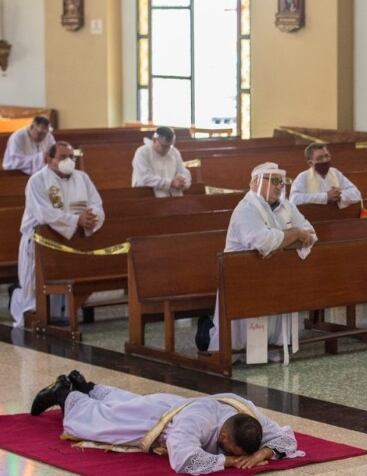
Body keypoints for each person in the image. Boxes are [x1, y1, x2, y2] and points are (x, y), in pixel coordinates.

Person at [30, 370, 302, 474]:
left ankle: (86, 385)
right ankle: (65, 393)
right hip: (156, 420)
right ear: (224, 439)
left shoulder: (249, 417)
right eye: (230, 450)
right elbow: (182, 458)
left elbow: (285, 437)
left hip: (169, 406)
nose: (233, 456)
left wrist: (263, 452)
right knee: (99, 422)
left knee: (124, 403)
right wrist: (227, 462)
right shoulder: (198, 423)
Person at [204, 163, 317, 364]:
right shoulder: (246, 209)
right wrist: (294, 235)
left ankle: (272, 349)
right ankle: (236, 352)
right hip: (243, 277)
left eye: (281, 181)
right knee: (241, 334)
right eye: (273, 180)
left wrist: (281, 245)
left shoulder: (287, 206)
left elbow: (310, 234)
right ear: (255, 182)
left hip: (274, 276)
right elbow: (263, 242)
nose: (279, 186)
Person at [10, 141, 104, 328]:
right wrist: (76, 220)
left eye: (71, 157)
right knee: (34, 291)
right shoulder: (37, 181)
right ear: (49, 159)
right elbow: (43, 213)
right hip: (39, 243)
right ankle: (27, 311)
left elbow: (96, 203)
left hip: (71, 240)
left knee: (65, 280)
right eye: (62, 157)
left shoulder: (82, 178)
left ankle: (61, 316)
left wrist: (91, 217)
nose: (68, 161)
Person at [289, 144, 362, 209]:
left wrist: (339, 196)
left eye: (327, 156)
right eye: (320, 158)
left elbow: (356, 193)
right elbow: (294, 199)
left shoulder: (335, 173)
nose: (325, 160)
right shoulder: (303, 177)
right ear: (310, 163)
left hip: (338, 217)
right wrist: (325, 196)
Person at [131, 126, 192, 197]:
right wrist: (170, 183)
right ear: (154, 140)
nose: (166, 149)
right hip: (147, 196)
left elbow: (183, 171)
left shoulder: (174, 152)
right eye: (163, 146)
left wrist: (182, 180)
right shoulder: (142, 152)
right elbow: (144, 179)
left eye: (169, 146)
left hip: (172, 197)